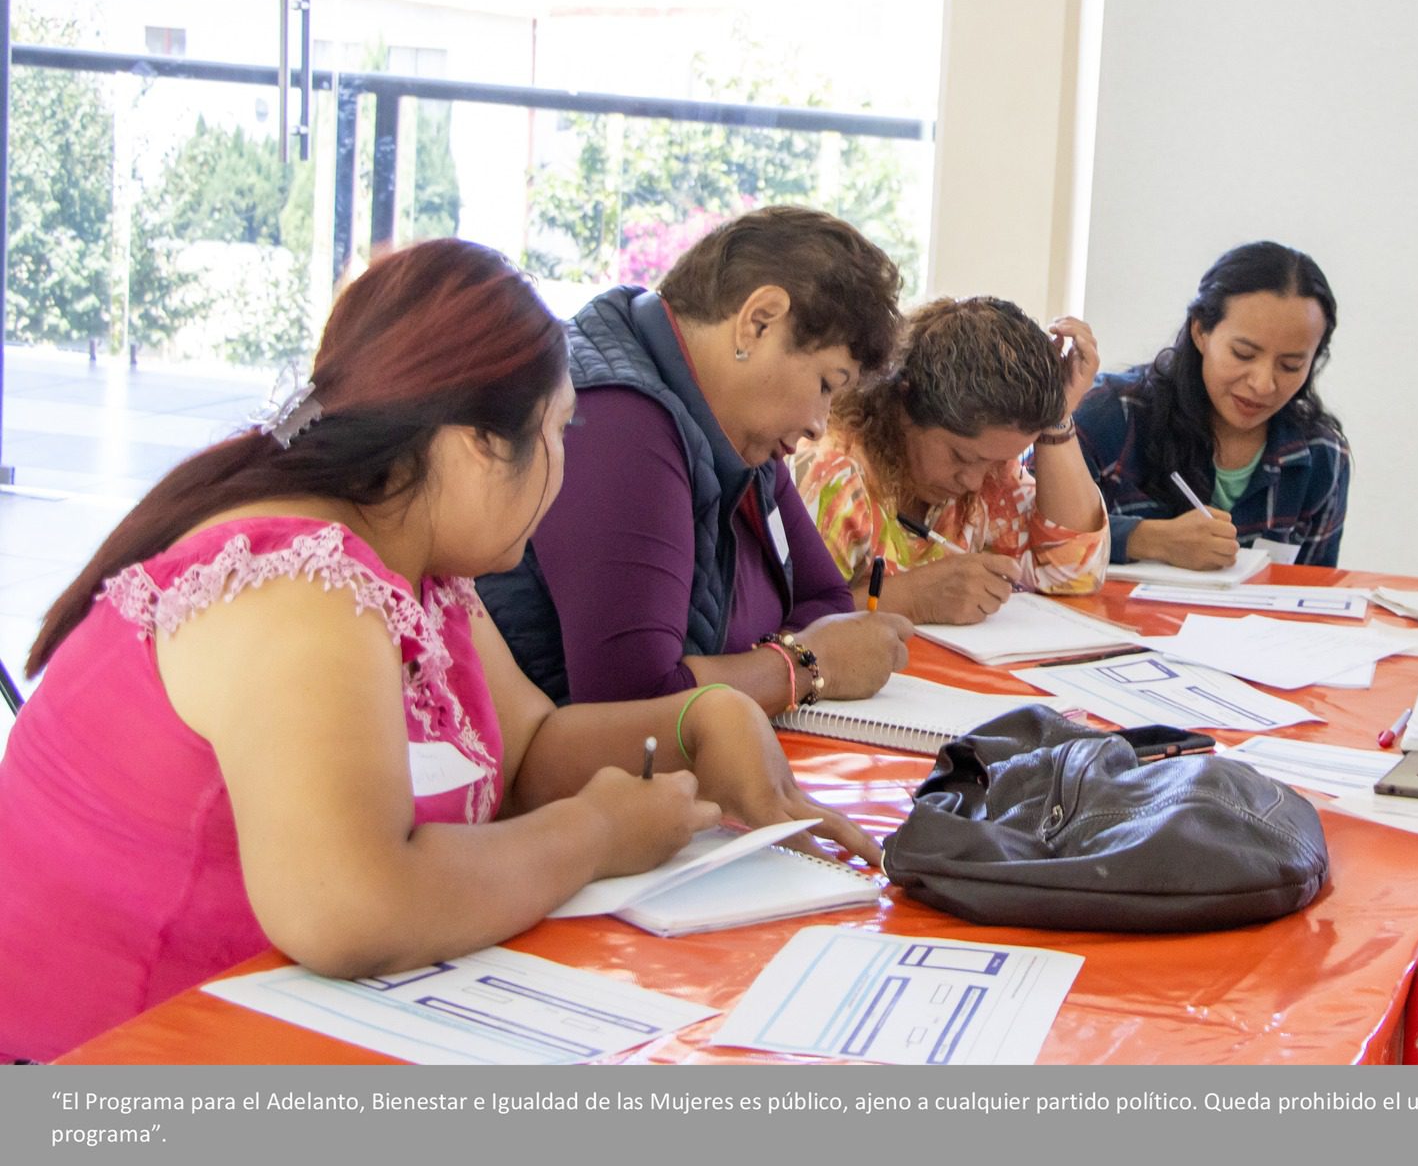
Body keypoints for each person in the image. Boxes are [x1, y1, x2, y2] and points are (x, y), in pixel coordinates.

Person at [0, 240, 879, 1064]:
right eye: (559, 434)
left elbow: (527, 747)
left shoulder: (417, 569)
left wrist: (701, 720)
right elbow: (353, 904)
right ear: (473, 445)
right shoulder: (301, 589)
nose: (566, 469)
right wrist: (592, 833)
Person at [479, 206, 914, 714]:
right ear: (758, 321)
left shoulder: (734, 433)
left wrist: (731, 671)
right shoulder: (620, 422)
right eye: (825, 384)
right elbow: (634, 703)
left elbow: (824, 602)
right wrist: (807, 666)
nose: (821, 423)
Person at [792, 298, 1109, 624]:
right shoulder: (833, 477)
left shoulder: (990, 473)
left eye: (997, 462)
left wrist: (1056, 421)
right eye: (961, 457)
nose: (973, 481)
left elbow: (1074, 573)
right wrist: (910, 599)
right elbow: (778, 630)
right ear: (904, 405)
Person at [1073, 241, 1349, 569]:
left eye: (1290, 366)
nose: (1263, 384)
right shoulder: (1107, 414)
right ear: (1200, 331)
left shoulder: (1320, 455)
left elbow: (1317, 597)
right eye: (1243, 354)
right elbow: (1027, 531)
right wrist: (1146, 539)